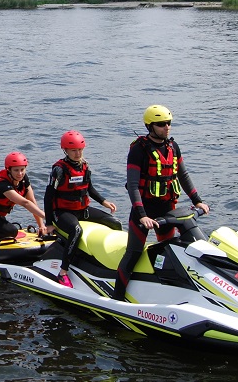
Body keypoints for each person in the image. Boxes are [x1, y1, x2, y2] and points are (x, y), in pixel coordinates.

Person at [112, 105, 210, 301]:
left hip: (167, 210)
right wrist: (142, 215)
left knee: (169, 250)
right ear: (150, 126)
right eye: (161, 124)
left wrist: (197, 201)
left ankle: (166, 292)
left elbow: (183, 175)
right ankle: (117, 297)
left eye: (169, 123)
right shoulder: (138, 150)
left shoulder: (173, 146)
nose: (167, 127)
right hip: (144, 212)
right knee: (134, 253)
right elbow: (133, 185)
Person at [44, 130, 119, 288]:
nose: (78, 154)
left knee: (115, 223)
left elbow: (89, 188)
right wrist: (49, 223)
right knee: (76, 231)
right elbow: (48, 196)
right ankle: (63, 272)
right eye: (74, 150)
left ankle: (112, 264)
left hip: (82, 210)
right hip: (62, 212)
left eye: (80, 150)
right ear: (65, 150)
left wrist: (104, 202)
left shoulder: (85, 165)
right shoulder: (59, 169)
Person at [0, 152, 48, 240]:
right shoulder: (2, 184)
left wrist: (41, 225)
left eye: (22, 169)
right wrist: (47, 216)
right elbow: (25, 203)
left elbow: (32, 201)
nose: (20, 173)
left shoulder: (23, 179)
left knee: (8, 230)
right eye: (16, 170)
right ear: (8, 170)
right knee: (12, 232)